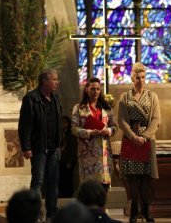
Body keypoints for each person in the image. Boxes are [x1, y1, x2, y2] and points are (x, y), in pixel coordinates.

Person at [118, 62, 161, 223]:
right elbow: (122, 120)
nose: (141, 80)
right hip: (131, 141)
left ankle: (146, 210)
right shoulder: (125, 97)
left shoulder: (152, 96)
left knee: (145, 177)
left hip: (146, 141)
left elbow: (156, 119)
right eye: (138, 77)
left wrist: (145, 135)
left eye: (143, 77)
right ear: (132, 78)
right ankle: (134, 211)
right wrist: (133, 136)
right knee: (132, 178)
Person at [18, 69, 62, 220]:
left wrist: (59, 141)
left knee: (53, 182)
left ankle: (52, 213)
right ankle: (35, 213)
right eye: (54, 79)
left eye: (57, 79)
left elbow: (58, 121)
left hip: (54, 148)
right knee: (38, 182)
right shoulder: (31, 98)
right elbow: (25, 125)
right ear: (44, 81)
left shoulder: (55, 98)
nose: (57, 82)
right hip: (39, 149)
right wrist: (26, 147)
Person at [71, 77, 118, 193]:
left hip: (104, 153)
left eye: (98, 89)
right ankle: (88, 210)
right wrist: (89, 132)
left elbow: (115, 127)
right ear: (87, 89)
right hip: (87, 153)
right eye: (93, 89)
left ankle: (101, 210)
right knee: (88, 187)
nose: (96, 91)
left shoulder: (106, 108)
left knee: (103, 187)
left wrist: (109, 131)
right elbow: (73, 129)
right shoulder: (79, 108)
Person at [59, 115, 78, 198]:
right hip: (60, 160)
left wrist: (70, 161)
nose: (63, 124)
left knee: (68, 178)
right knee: (60, 177)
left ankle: (68, 193)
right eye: (62, 122)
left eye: (65, 122)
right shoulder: (59, 133)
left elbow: (72, 148)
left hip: (68, 160)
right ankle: (62, 193)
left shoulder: (71, 134)